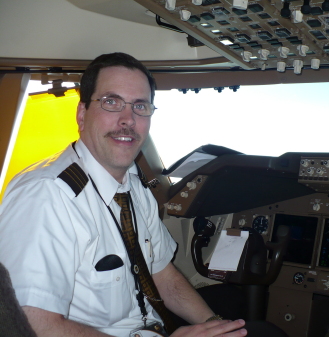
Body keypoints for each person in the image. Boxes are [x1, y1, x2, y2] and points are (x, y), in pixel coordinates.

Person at [0, 52, 247, 337]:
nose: (128, 119)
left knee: (231, 302)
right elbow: (32, 325)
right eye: (111, 102)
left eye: (140, 106)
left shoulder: (133, 183)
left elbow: (161, 273)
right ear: (82, 114)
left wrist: (215, 325)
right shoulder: (44, 196)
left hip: (150, 328)